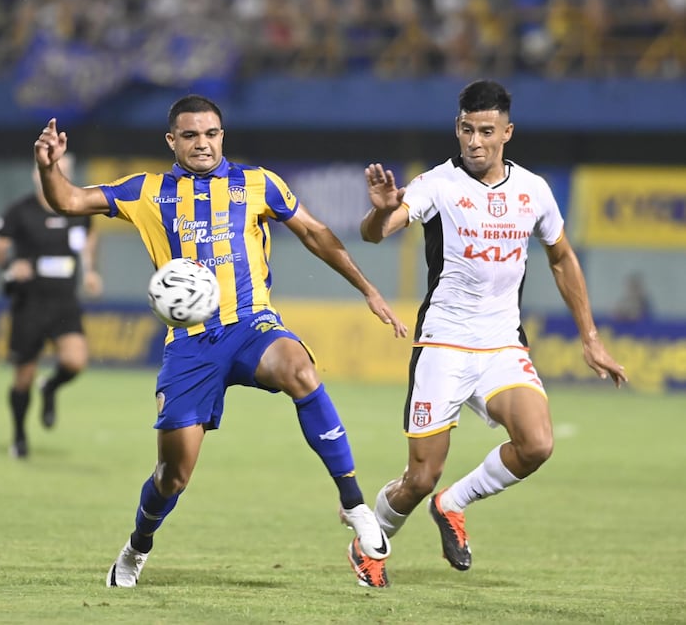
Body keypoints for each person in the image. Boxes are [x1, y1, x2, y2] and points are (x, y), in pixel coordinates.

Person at [33, 94, 409, 589]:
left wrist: (368, 289)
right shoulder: (145, 191)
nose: (202, 144)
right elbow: (69, 200)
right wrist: (49, 167)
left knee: (299, 368)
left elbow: (316, 233)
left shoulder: (258, 183)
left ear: (222, 136)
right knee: (173, 476)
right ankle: (136, 548)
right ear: (172, 141)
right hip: (190, 345)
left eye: (211, 134)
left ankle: (355, 503)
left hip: (251, 324)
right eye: (190, 135)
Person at [360, 79, 627, 572]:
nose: (475, 141)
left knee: (537, 443)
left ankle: (453, 503)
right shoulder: (436, 184)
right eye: (466, 130)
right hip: (443, 344)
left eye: (486, 131)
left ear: (508, 131)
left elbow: (562, 257)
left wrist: (591, 338)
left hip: (502, 344)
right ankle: (370, 541)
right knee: (420, 477)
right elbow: (379, 232)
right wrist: (378, 215)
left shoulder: (534, 190)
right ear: (456, 129)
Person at [0, 154, 103, 459]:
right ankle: (20, 436)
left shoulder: (79, 209)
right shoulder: (20, 211)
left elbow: (89, 241)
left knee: (75, 361)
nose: (54, 175)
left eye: (61, 171)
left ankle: (49, 387)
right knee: (23, 376)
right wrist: (11, 265)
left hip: (64, 301)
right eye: (50, 170)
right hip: (29, 303)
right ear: (38, 174)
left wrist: (90, 271)